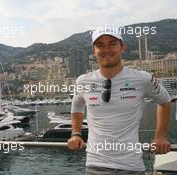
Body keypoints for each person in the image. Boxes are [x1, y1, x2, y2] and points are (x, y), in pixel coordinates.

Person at [67, 27, 171, 175]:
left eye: (112, 43)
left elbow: (165, 101)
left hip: (131, 166)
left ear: (123, 47)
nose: (106, 49)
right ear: (94, 50)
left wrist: (160, 136)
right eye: (100, 45)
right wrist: (76, 133)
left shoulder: (143, 78)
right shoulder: (83, 81)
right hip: (95, 166)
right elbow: (77, 105)